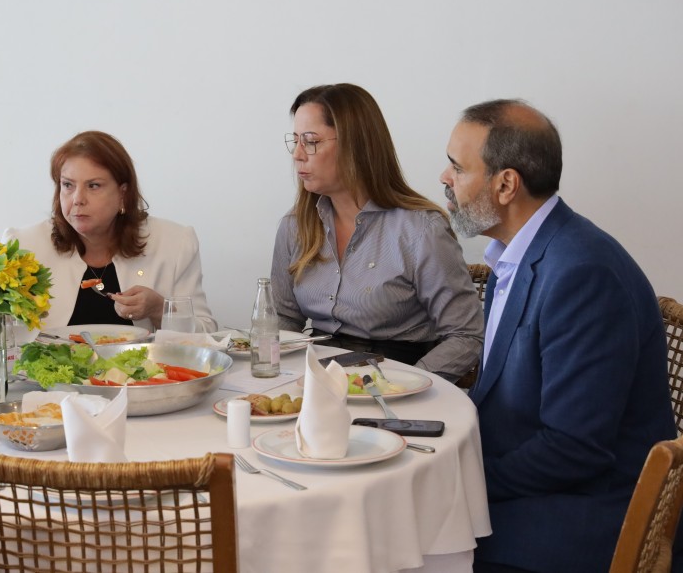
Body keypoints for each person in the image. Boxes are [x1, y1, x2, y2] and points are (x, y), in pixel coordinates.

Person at [440, 99, 677, 573]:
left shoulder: (583, 274)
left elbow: (575, 450)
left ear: (506, 185)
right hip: (534, 483)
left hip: (589, 514)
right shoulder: (517, 254)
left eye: (457, 167)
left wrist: (459, 482)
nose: (445, 178)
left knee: (408, 538)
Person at [271, 83, 483, 380]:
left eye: (311, 141)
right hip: (316, 381)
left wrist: (407, 384)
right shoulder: (294, 225)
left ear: (355, 145)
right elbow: (284, 319)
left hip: (395, 382)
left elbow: (466, 334)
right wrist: (279, 374)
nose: (297, 154)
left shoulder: (421, 229)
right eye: (295, 141)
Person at [3, 130, 216, 332]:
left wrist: (159, 309)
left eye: (93, 186)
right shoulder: (24, 247)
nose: (77, 199)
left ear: (123, 194)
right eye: (68, 185)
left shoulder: (175, 243)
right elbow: (1, 334)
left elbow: (206, 334)